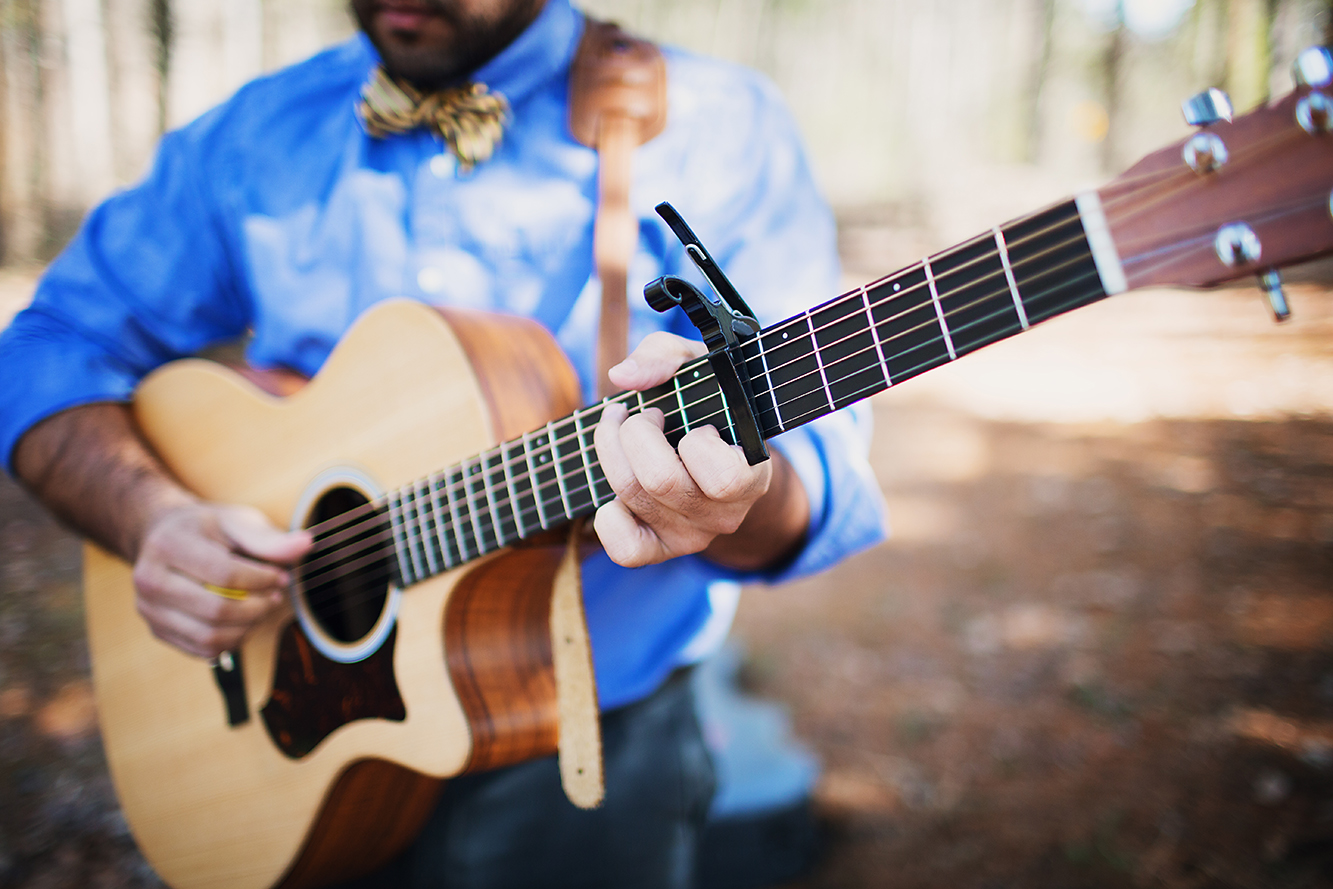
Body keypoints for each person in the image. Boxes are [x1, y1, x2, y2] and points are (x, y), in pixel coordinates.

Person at [0, 0, 887, 885]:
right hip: (287, 748)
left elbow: (817, 479)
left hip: (588, 758)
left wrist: (739, 496)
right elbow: (49, 349)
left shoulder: (720, 125)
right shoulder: (255, 135)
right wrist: (147, 516)